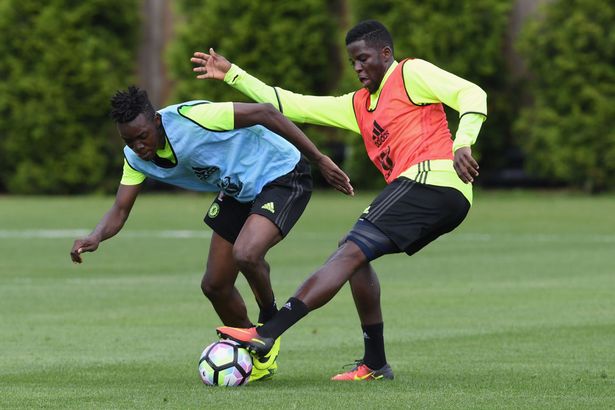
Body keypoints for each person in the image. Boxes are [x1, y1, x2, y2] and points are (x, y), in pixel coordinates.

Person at [191, 19, 487, 381]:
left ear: (386, 53)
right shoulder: (358, 105)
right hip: (430, 192)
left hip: (432, 180)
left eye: (364, 59)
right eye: (352, 62)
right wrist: (233, 74)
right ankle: (375, 364)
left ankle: (267, 332)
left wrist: (463, 142)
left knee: (350, 250)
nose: (358, 68)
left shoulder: (410, 74)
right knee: (354, 255)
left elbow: (472, 94)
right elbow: (290, 104)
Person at [69, 86, 353, 382]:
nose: (138, 146)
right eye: (129, 140)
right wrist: (96, 236)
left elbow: (266, 112)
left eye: (142, 136)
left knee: (246, 253)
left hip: (281, 172)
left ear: (156, 120)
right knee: (215, 285)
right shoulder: (135, 158)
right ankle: (258, 357)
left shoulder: (195, 118)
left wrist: (319, 159)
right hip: (238, 189)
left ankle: (269, 323)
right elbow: (120, 210)